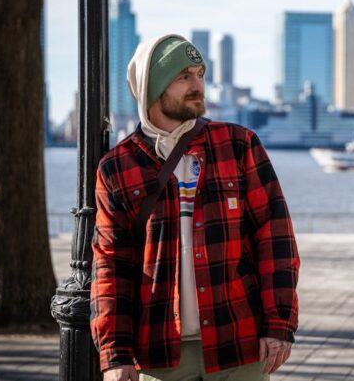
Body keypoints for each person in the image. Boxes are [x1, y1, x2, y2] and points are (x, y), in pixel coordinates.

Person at [90, 34, 300, 381]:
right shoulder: (117, 167)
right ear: (152, 86)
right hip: (159, 356)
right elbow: (110, 267)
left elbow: (275, 239)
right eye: (183, 76)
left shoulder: (239, 145)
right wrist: (114, 354)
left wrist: (279, 324)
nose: (197, 84)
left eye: (200, 74)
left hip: (239, 346)